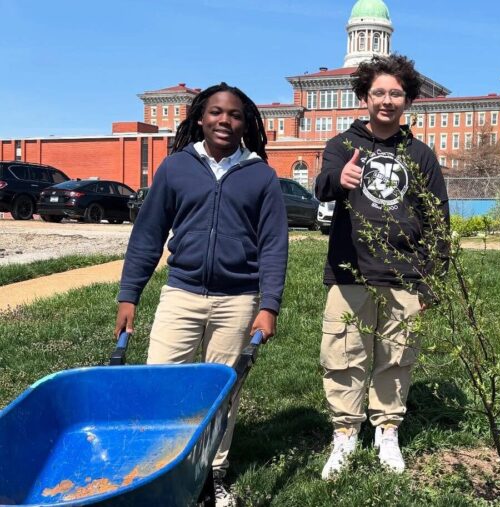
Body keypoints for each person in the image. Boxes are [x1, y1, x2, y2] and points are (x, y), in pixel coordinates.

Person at [114, 83, 289, 507]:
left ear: (245, 123)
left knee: (222, 393)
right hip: (182, 293)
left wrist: (268, 305)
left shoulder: (261, 175)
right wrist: (129, 294)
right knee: (162, 384)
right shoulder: (176, 167)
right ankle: (159, 468)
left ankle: (213, 474)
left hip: (238, 301)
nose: (224, 120)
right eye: (215, 112)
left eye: (234, 115)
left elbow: (273, 246)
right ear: (199, 118)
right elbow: (148, 234)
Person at [314, 54, 449, 479]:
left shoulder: (420, 155)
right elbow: (322, 186)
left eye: (395, 93)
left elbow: (438, 220)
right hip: (350, 271)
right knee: (343, 355)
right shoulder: (342, 145)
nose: (387, 101)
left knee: (396, 357)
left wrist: (432, 280)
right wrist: (340, 180)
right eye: (378, 93)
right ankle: (345, 434)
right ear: (365, 97)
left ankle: (387, 430)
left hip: (405, 275)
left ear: (407, 100)